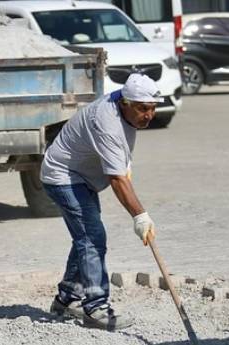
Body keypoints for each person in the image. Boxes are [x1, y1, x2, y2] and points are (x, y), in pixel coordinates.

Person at [40, 73, 160, 331]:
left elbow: (121, 158)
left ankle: (66, 300)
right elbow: (117, 180)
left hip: (82, 177)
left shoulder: (125, 108)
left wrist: (125, 163)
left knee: (85, 236)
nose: (148, 115)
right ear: (126, 103)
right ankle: (95, 308)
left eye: (152, 109)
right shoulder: (106, 121)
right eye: (143, 109)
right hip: (62, 176)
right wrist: (140, 215)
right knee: (93, 237)